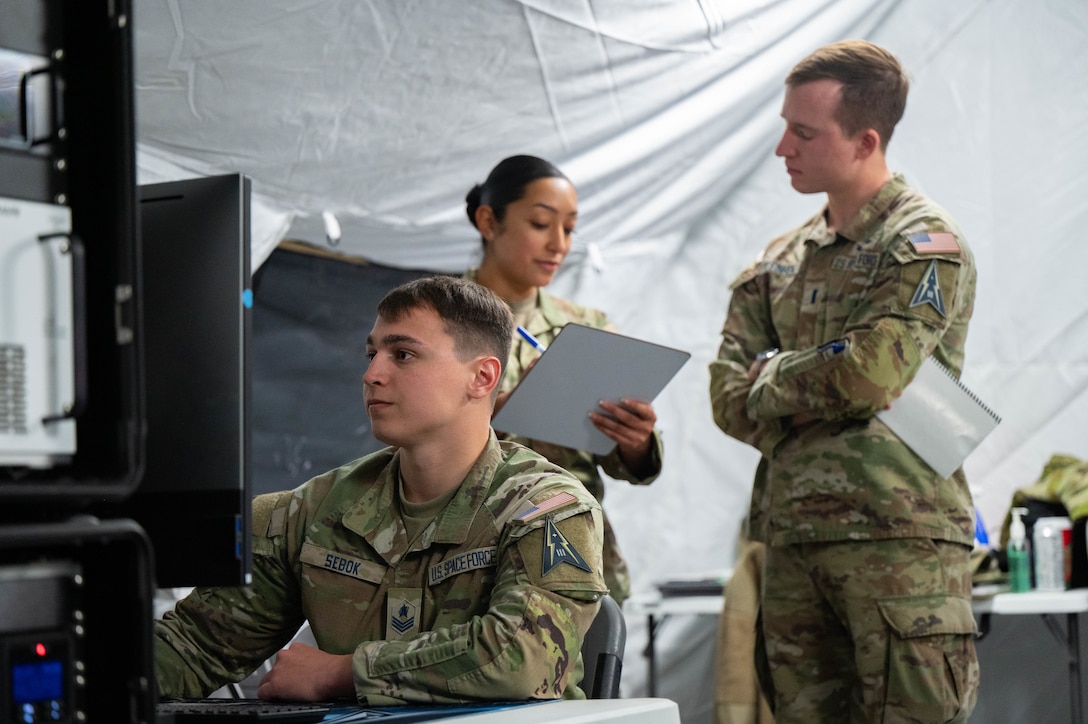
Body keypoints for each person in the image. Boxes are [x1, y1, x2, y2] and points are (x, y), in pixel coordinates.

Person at [154, 275, 608, 704]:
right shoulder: (311, 513)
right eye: (371, 354)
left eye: (403, 355)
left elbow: (523, 658)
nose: (372, 374)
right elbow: (195, 647)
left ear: (483, 378)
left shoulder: (546, 508)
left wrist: (342, 673)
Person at [708, 40, 980, 722]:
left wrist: (775, 376)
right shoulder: (779, 263)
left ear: (865, 141)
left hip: (899, 543)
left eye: (804, 133)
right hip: (793, 544)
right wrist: (822, 384)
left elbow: (871, 374)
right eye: (785, 128)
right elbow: (727, 398)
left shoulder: (922, 242)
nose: (783, 149)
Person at [464, 154, 664, 605]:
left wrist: (635, 440)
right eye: (540, 223)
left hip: (573, 557)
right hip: (468, 558)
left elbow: (624, 462)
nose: (559, 244)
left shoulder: (588, 330)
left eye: (570, 229)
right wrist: (505, 409)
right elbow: (407, 435)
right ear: (489, 221)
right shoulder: (435, 319)